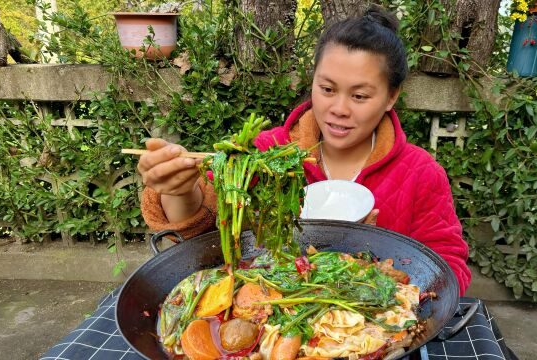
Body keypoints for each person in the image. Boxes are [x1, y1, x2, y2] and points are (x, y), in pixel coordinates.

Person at [138, 5, 471, 295]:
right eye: (327, 89)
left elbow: (447, 267)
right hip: (272, 313)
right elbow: (203, 231)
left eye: (359, 96)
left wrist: (373, 261)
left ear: (391, 97)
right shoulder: (267, 153)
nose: (338, 108)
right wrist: (180, 191)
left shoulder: (420, 172)